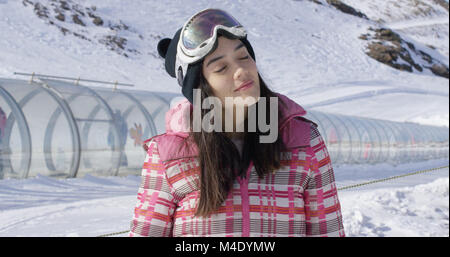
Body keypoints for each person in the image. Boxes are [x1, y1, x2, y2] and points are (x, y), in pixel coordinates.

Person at [129, 8, 345, 237]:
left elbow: (328, 232)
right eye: (221, 68)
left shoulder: (304, 141)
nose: (241, 70)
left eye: (244, 57)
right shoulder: (167, 155)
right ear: (199, 88)